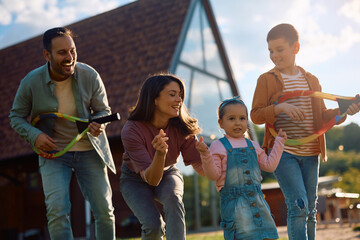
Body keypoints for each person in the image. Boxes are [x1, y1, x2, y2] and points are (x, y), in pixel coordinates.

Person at [250, 23, 360, 240]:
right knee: (298, 205)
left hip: (311, 152)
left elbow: (322, 117)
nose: (274, 55)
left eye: (279, 49)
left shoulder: (311, 80)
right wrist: (280, 107)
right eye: (271, 50)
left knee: (310, 210)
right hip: (283, 153)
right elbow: (255, 115)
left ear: (295, 48)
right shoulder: (266, 80)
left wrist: (344, 111)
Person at [9, 27, 116, 240]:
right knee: (57, 212)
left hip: (89, 150)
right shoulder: (30, 82)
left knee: (105, 211)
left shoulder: (90, 74)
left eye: (73, 51)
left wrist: (99, 122)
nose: (70, 57)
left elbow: (104, 110)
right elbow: (16, 117)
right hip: (54, 155)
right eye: (62, 53)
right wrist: (34, 135)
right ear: (46, 55)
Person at [120, 73, 205, 240]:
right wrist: (160, 154)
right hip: (135, 179)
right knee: (154, 227)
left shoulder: (182, 127)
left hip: (168, 173)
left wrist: (222, 168)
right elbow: (151, 179)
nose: (179, 100)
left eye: (180, 95)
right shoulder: (131, 130)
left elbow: (200, 165)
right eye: (172, 94)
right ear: (154, 99)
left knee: (174, 199)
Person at [195, 96, 287, 240]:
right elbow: (214, 175)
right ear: (221, 123)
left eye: (242, 118)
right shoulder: (218, 146)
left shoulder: (253, 145)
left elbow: (270, 166)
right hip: (236, 208)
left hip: (258, 202)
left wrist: (279, 142)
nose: (238, 123)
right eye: (231, 118)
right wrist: (205, 154)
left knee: (266, 237)